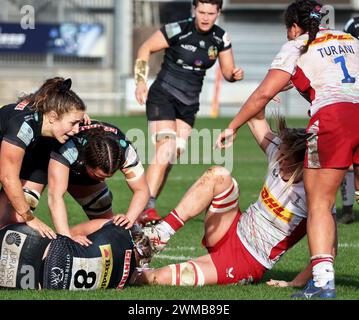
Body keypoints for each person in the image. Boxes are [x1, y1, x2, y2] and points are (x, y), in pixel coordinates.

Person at [216, 0, 359, 298]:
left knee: (319, 201)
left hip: (334, 119)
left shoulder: (298, 45)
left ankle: (322, 282)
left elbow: (263, 93)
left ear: (294, 27)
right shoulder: (349, 40)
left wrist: (232, 126)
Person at [133, 113, 336, 290]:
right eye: (280, 153)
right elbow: (256, 118)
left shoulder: (317, 194)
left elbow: (330, 249)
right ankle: (160, 234)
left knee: (152, 278)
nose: (279, 159)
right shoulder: (278, 156)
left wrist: (296, 282)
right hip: (230, 229)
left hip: (246, 261)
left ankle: (118, 272)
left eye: (286, 157)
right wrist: (272, 89)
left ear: (302, 163)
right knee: (219, 175)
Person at [134, 0, 244, 225]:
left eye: (210, 13)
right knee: (166, 148)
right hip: (162, 96)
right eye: (201, 12)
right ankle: (147, 206)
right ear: (194, 10)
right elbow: (145, 48)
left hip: (188, 105)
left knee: (173, 154)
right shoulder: (177, 29)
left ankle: (146, 208)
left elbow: (227, 72)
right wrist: (140, 81)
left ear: (218, 12)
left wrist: (234, 75)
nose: (205, 17)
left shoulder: (221, 38)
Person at [18, 120, 150, 245]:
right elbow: (56, 197)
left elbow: (142, 190)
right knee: (23, 207)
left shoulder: (125, 151)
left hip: (78, 164)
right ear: (86, 162)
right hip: (42, 155)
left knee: (107, 225)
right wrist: (67, 240)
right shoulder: (70, 149)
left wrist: (129, 218)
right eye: (98, 175)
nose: (104, 181)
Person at [0, 77, 86, 239]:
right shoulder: (23, 126)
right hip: (6, 165)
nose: (76, 130)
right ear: (53, 116)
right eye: (73, 123)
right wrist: (30, 218)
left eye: (79, 123)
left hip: (26, 155)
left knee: (14, 218)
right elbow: (7, 177)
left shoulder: (46, 115)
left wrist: (76, 117)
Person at [0, 219, 152, 290]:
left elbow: (72, 232)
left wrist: (72, 239)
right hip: (43, 284)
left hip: (46, 248)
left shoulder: (119, 228)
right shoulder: (123, 282)